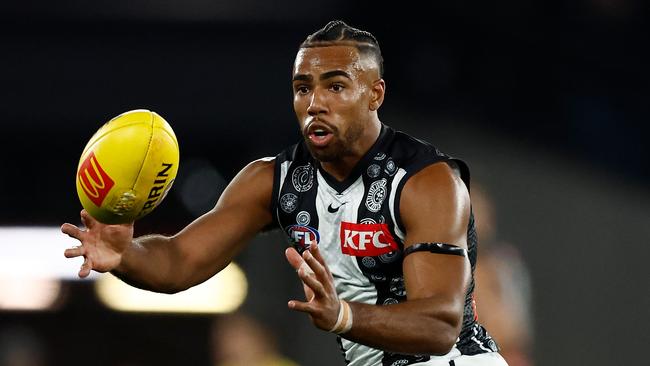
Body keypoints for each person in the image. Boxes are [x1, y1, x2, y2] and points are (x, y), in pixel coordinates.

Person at [61, 20, 507, 366]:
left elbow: (441, 323)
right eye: (302, 88)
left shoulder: (426, 181)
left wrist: (342, 316)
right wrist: (126, 255)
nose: (315, 102)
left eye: (335, 86)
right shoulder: (273, 181)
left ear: (375, 94)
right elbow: (179, 263)